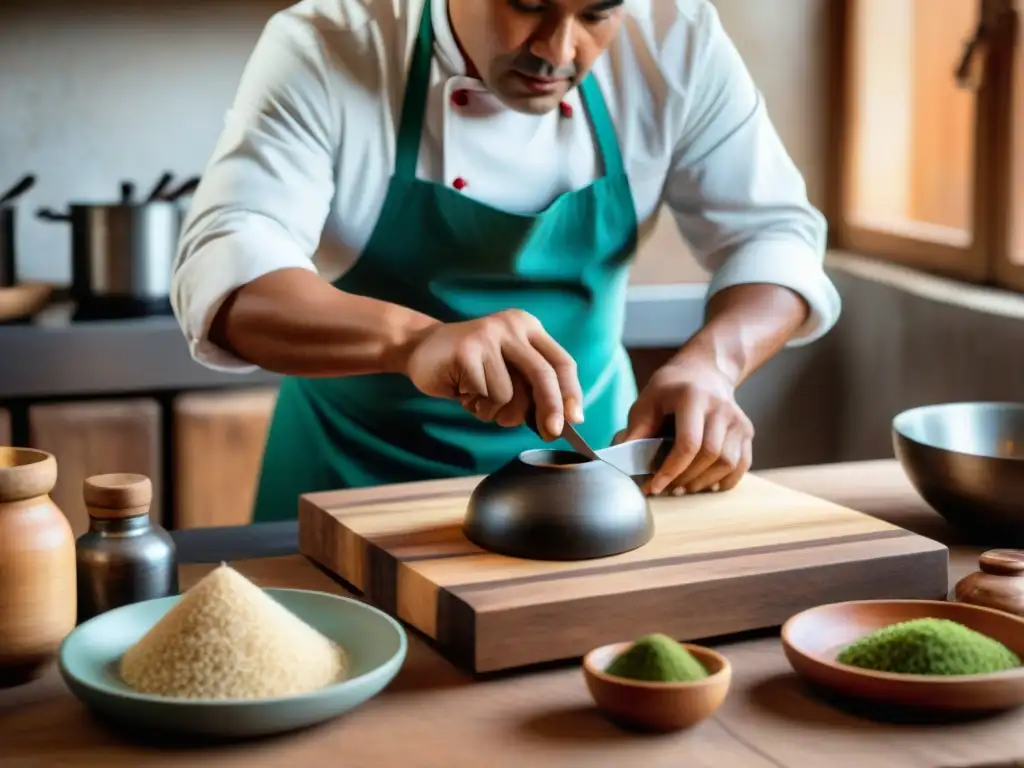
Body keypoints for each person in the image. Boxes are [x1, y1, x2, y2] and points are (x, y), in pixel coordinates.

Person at [171, 0, 842, 523]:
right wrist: (417, 340)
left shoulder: (676, 39)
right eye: (528, 4)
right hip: (347, 482)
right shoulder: (328, 43)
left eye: (596, 13)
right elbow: (227, 273)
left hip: (591, 475)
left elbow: (774, 234)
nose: (558, 49)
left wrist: (713, 365)